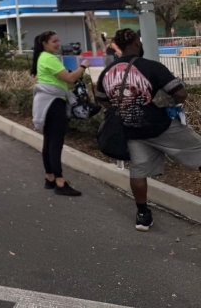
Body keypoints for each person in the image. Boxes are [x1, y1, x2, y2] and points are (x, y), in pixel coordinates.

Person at [96, 28, 201, 231]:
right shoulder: (152, 67)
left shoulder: (107, 71)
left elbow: (102, 99)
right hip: (161, 126)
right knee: (198, 150)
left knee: (138, 171)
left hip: (131, 131)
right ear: (136, 42)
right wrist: (165, 103)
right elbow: (180, 93)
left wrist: (124, 108)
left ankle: (142, 215)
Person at [31, 31, 90, 197]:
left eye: (58, 41)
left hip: (47, 102)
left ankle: (49, 178)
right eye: (54, 41)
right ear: (44, 43)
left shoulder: (42, 57)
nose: (57, 44)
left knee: (49, 142)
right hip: (54, 103)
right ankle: (60, 182)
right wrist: (83, 66)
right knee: (55, 143)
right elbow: (70, 79)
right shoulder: (49, 58)